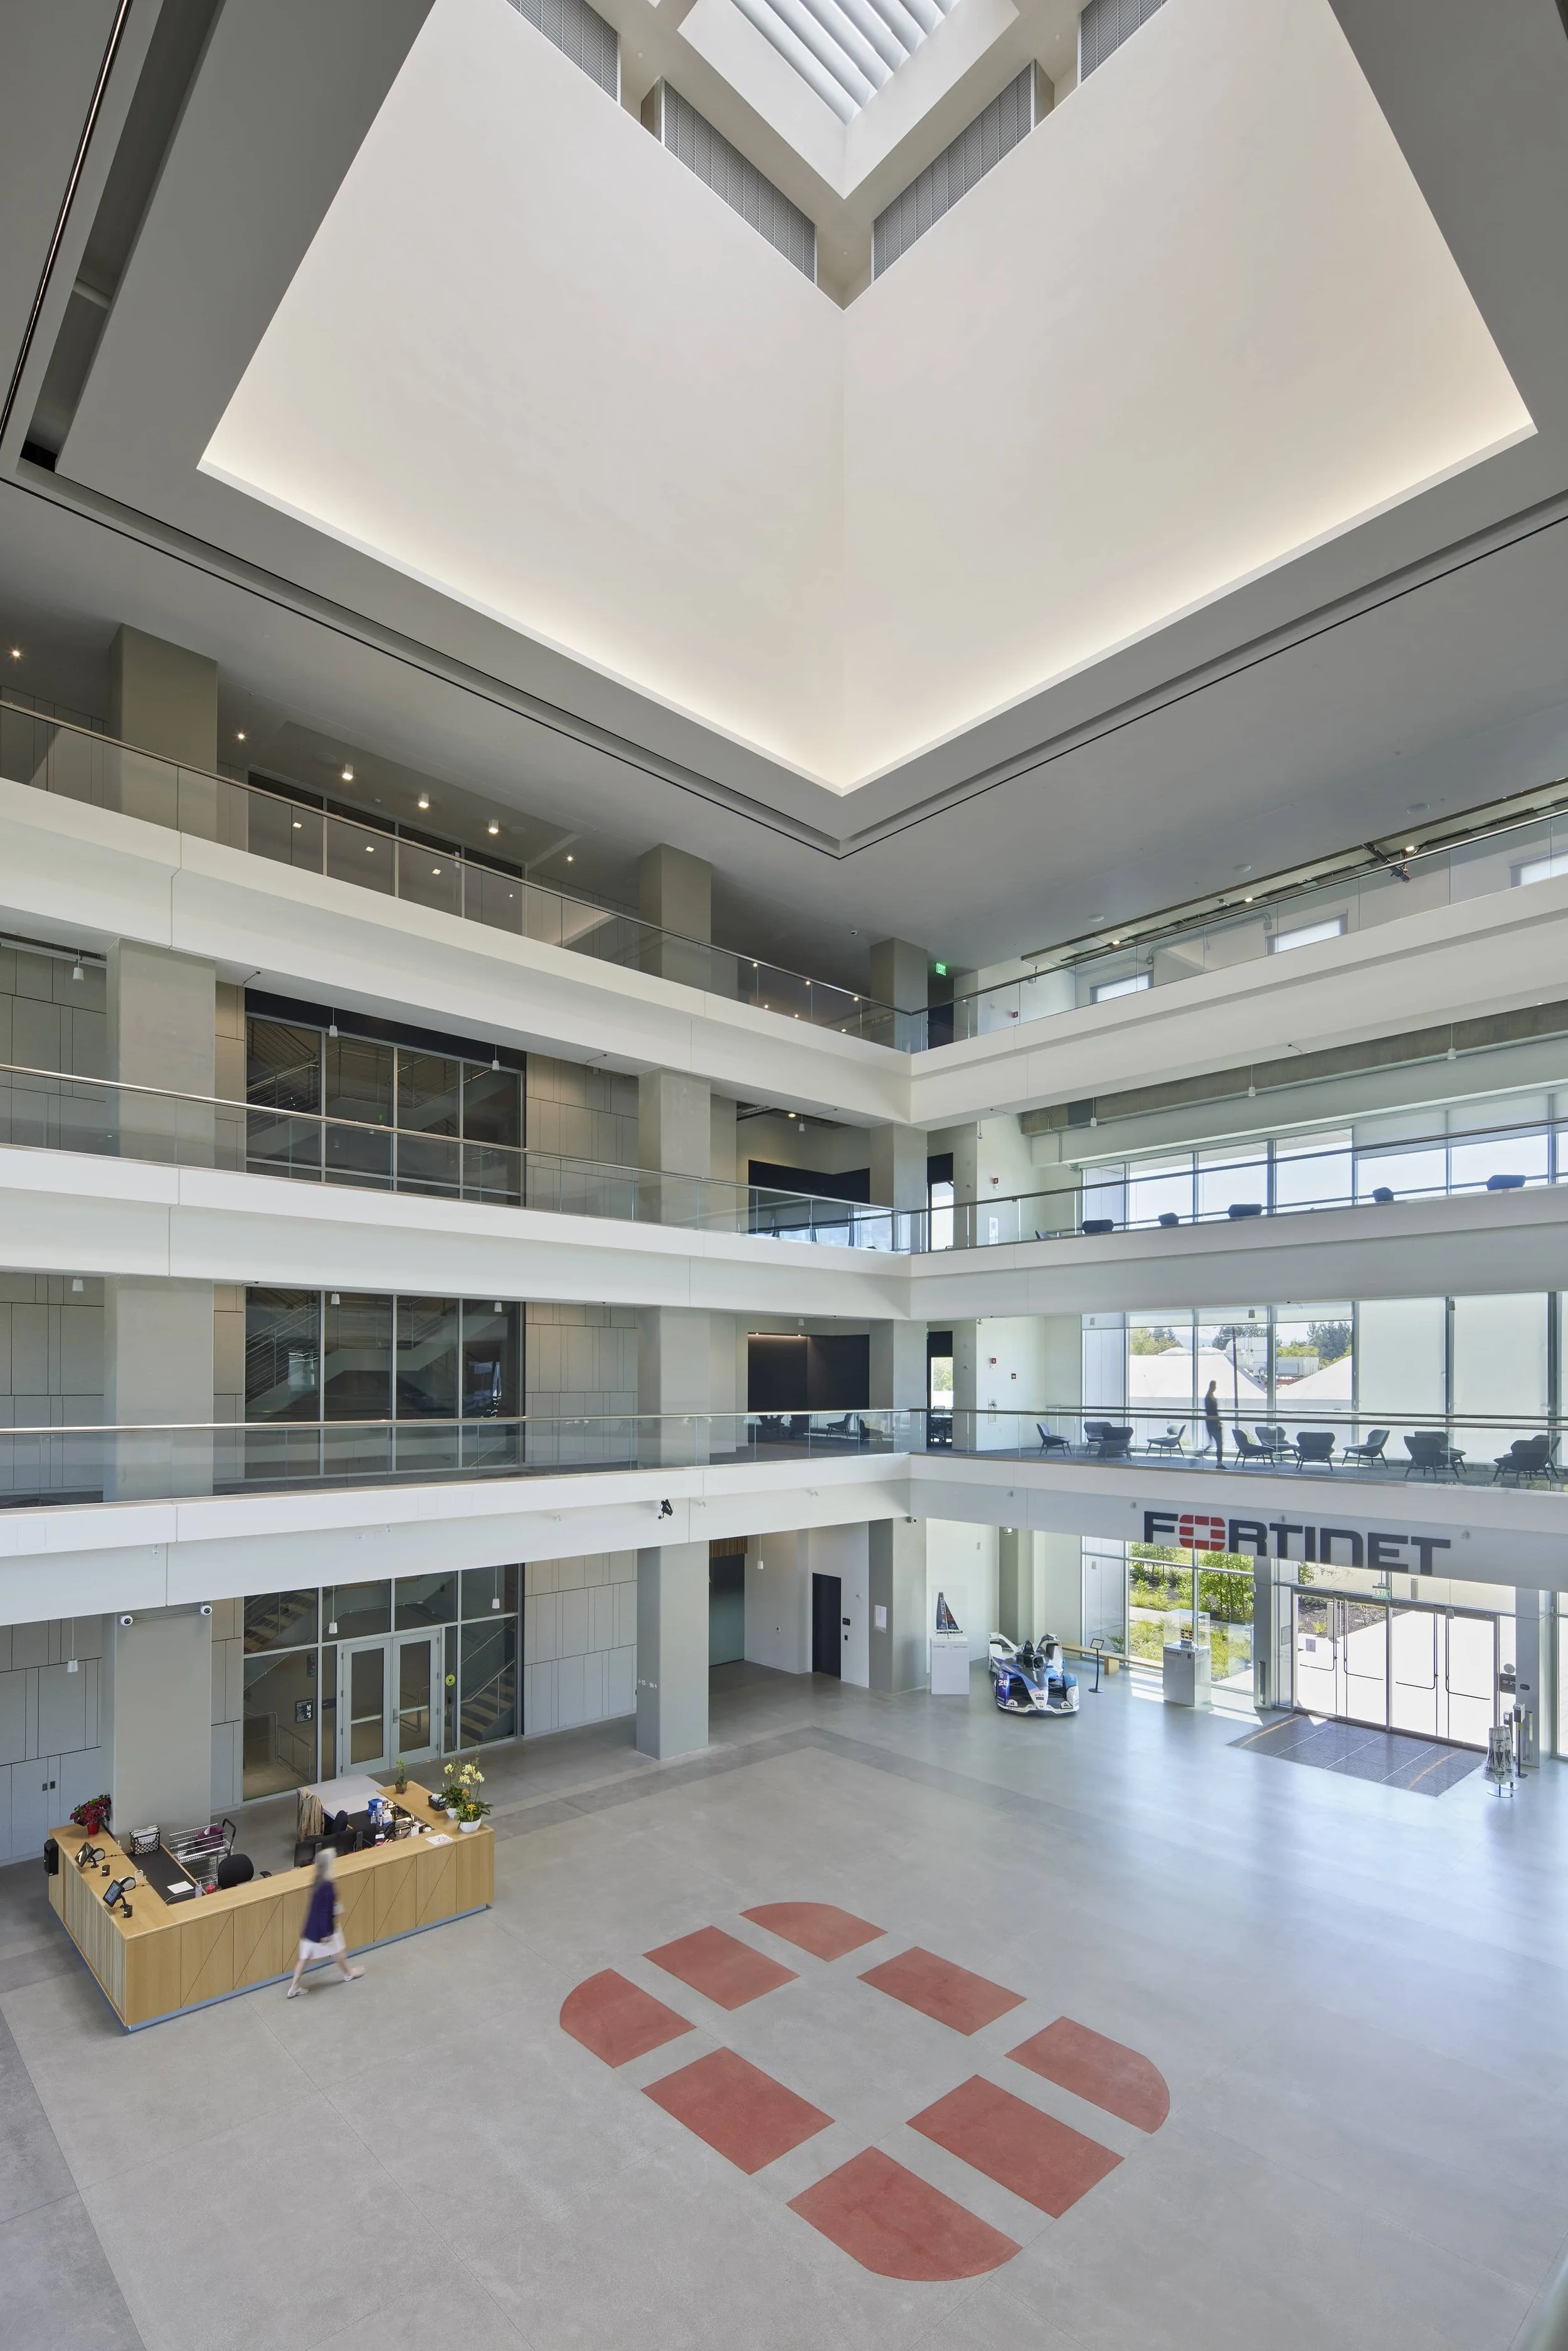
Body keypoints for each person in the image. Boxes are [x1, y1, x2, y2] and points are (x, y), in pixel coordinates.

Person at [286, 1849, 363, 1997]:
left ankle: (294, 1986)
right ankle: (349, 1973)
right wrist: (326, 1933)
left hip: (311, 1927)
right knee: (338, 1951)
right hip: (325, 1928)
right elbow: (326, 1910)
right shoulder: (328, 1885)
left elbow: (317, 1907)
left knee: (304, 1957)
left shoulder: (317, 1880)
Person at [1204, 1379, 1224, 1466]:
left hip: (1213, 1423)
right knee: (1219, 1444)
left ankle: (1219, 1462)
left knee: (1218, 1443)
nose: (1215, 1388)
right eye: (1214, 1386)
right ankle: (1219, 1463)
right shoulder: (1209, 1398)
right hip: (1213, 1424)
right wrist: (1217, 1420)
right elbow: (1212, 1412)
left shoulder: (1210, 1397)